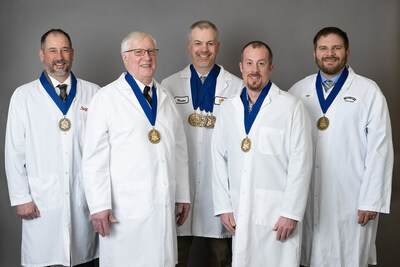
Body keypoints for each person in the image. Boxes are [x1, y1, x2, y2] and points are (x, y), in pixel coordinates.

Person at [82, 31, 190, 267]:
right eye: (138, 52)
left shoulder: (165, 97)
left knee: (161, 259)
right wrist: (99, 205)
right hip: (125, 205)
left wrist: (182, 194)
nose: (146, 57)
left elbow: (179, 150)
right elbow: (93, 157)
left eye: (151, 51)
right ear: (125, 58)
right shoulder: (107, 97)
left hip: (162, 200)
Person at [289, 27, 393, 267]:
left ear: (347, 52)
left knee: (347, 257)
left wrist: (371, 200)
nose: (330, 53)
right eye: (323, 48)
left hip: (351, 197)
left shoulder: (368, 92)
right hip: (307, 194)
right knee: (307, 257)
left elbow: (381, 150)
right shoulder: (298, 91)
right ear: (314, 53)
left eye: (336, 48)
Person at [211, 41, 312, 267]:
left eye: (261, 63)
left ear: (270, 68)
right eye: (249, 63)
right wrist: (224, 206)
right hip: (239, 209)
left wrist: (291, 213)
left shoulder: (290, 107)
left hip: (277, 214)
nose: (254, 70)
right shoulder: (228, 108)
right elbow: (218, 159)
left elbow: (301, 164)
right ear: (241, 67)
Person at [5, 29, 99, 267]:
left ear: (73, 54)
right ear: (41, 55)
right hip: (41, 198)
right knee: (44, 258)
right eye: (53, 50)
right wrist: (21, 198)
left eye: (64, 50)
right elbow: (14, 151)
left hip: (84, 198)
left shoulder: (95, 93)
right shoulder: (24, 96)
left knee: (85, 258)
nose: (60, 56)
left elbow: (103, 150)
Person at [161, 20, 243, 267]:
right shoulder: (169, 85)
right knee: (175, 257)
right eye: (198, 43)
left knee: (221, 257)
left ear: (217, 46)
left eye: (209, 43)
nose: (203, 49)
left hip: (219, 188)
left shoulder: (236, 87)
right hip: (181, 187)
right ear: (189, 46)